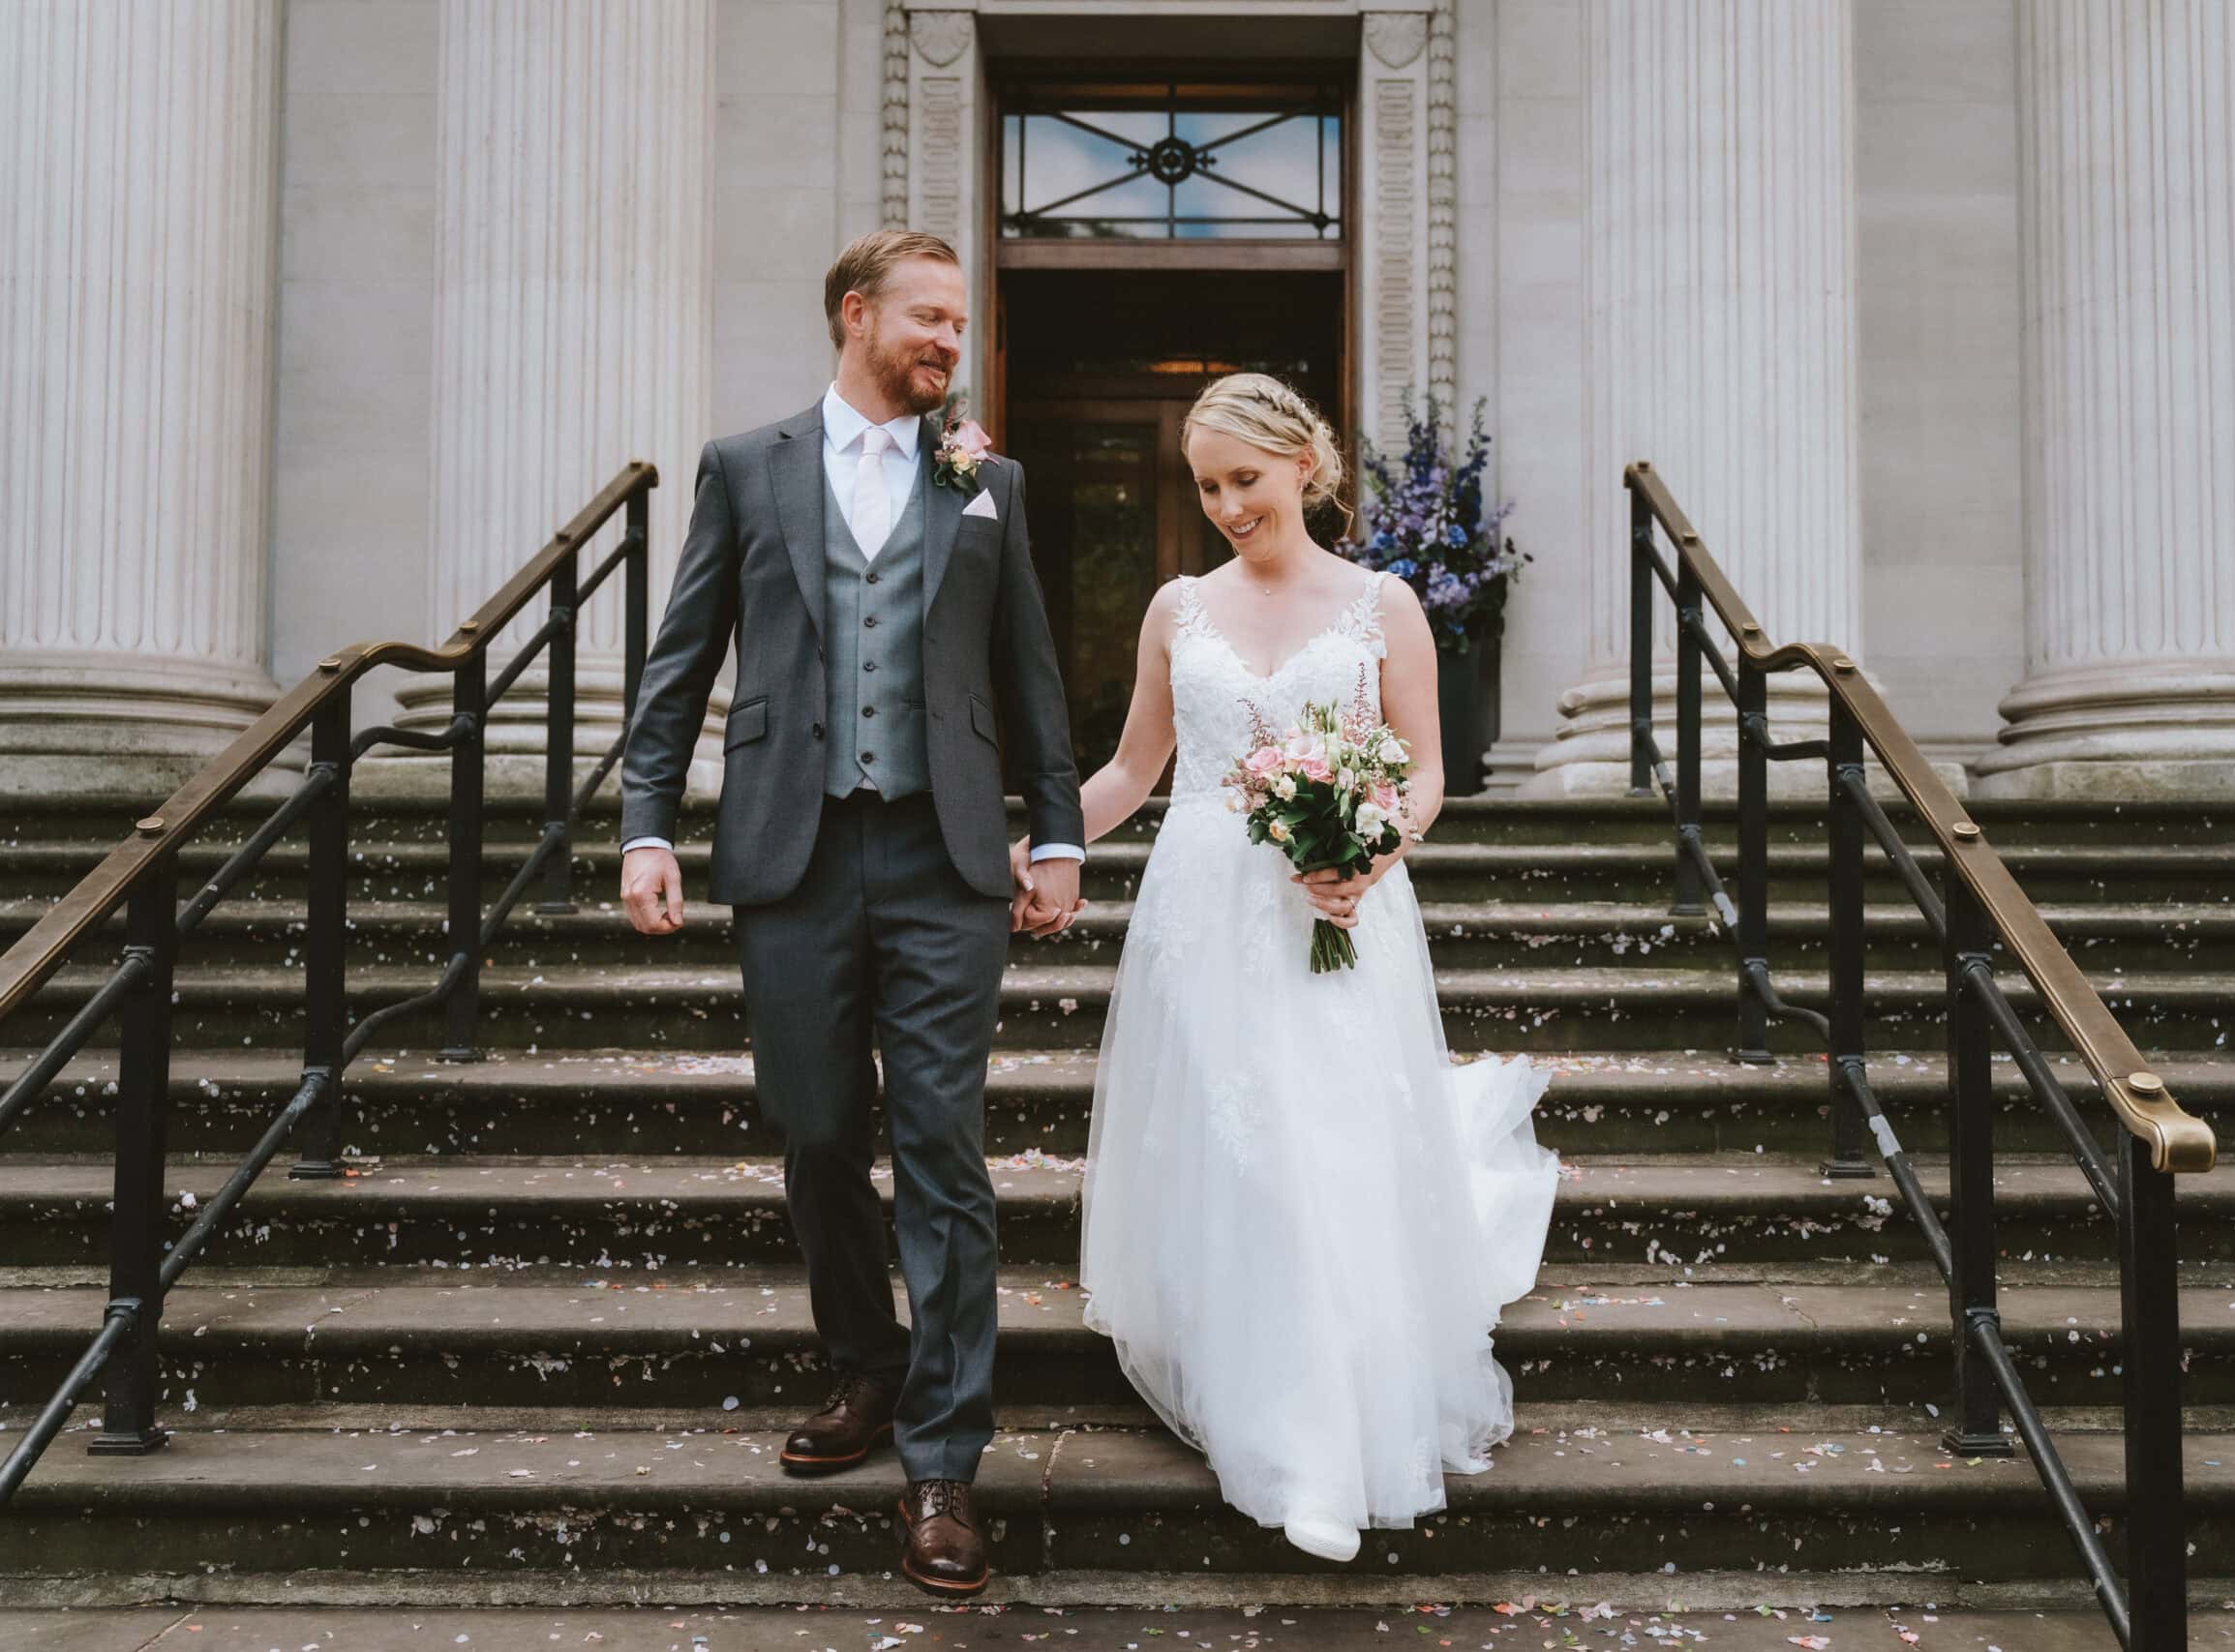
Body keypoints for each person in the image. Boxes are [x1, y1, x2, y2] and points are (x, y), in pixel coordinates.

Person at [617, 228, 1085, 1599]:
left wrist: (1057, 829)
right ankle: (867, 1363)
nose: (949, 339)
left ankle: (944, 1459)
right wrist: (646, 824)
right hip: (794, 849)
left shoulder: (986, 479)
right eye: (928, 316)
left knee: (942, 1146)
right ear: (854, 312)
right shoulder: (745, 467)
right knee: (818, 1132)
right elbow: (682, 656)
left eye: (959, 322)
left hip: (946, 859)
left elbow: (1029, 666)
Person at [1039, 372, 1559, 1563]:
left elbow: (1424, 770)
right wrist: (1040, 844)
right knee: (1246, 1150)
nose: (1226, 506)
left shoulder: (1382, 605)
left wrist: (1372, 851)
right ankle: (1272, 1412)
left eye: (1245, 480)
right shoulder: (1177, 609)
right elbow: (1131, 771)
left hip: (1337, 906)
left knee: (1326, 1147)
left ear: (1305, 468)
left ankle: (1323, 1447)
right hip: (1203, 913)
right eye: (1205, 487)